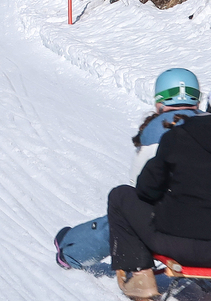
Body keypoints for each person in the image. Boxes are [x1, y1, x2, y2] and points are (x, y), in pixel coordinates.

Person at [106, 79, 211, 300]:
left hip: (173, 244)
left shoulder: (179, 134)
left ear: (208, 104)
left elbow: (146, 189)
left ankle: (140, 276)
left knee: (120, 195)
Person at [54, 68, 202, 270]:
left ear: (160, 101)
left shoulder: (157, 129)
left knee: (123, 211)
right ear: (197, 100)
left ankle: (73, 251)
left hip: (169, 230)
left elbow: (138, 185)